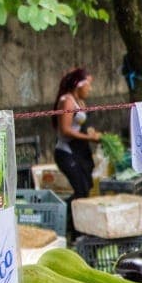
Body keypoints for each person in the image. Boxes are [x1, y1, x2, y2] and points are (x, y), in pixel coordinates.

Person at [52, 67, 101, 233]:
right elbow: (65, 130)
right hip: (66, 153)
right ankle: (63, 223)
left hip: (78, 152)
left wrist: (91, 132)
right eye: (88, 84)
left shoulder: (79, 101)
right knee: (80, 190)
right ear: (78, 85)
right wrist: (90, 139)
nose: (90, 88)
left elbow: (79, 126)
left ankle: (74, 227)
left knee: (86, 188)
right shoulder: (67, 101)